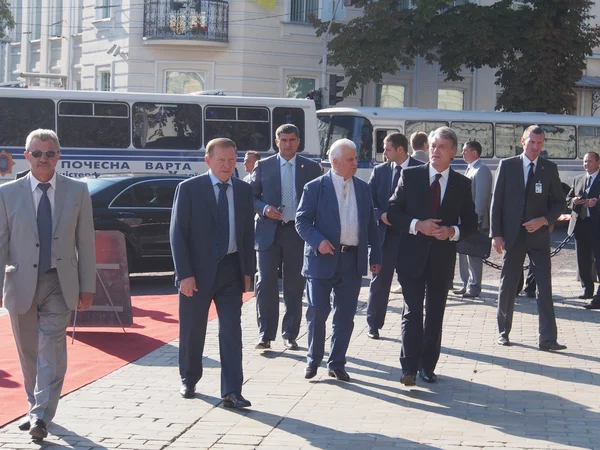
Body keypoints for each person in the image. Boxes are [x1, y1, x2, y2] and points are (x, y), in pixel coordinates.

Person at [0, 129, 96, 440]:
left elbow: (86, 241)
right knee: (28, 352)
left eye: (50, 153)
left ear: (58, 156)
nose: (44, 158)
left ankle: (41, 415)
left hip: (60, 281)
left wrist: (87, 286)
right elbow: (1, 243)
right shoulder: (7, 193)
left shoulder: (77, 191)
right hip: (19, 282)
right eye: (37, 153)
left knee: (51, 348)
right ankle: (34, 406)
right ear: (26, 156)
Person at [387, 127, 477, 386]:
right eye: (433, 146)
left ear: (453, 153)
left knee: (435, 314)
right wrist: (417, 224)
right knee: (412, 312)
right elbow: (393, 212)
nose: (435, 151)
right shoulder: (411, 175)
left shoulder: (461, 184)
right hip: (411, 257)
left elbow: (471, 223)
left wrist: (452, 231)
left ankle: (428, 366)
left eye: (442, 147)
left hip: (441, 259)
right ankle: (409, 368)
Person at [170, 138, 255, 408]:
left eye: (232, 160)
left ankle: (232, 389)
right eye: (221, 160)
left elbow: (246, 234)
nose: (227, 166)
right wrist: (184, 274)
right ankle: (189, 378)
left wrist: (247, 272)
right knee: (193, 329)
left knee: (232, 330)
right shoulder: (189, 189)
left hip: (230, 270)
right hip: (196, 273)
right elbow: (177, 234)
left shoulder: (242, 190)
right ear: (208, 161)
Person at [296, 138, 381, 382]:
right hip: (322, 259)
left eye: (355, 158)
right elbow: (301, 221)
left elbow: (370, 226)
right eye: (351, 159)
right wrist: (318, 241)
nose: (356, 163)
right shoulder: (314, 188)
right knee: (317, 312)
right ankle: (313, 360)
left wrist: (375, 256)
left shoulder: (363, 188)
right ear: (335, 162)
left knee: (345, 316)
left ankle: (337, 362)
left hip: (352, 261)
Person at [491, 125, 567, 350]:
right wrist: (496, 234)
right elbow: (497, 202)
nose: (536, 147)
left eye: (540, 144)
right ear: (523, 142)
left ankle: (547, 338)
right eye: (532, 142)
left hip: (539, 237)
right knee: (508, 285)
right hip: (513, 236)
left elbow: (559, 202)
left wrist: (545, 220)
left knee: (544, 286)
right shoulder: (507, 165)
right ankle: (503, 332)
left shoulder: (549, 168)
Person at [251, 124, 321, 351]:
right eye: (283, 140)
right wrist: (264, 209)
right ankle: (265, 334)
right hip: (268, 232)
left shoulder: (311, 168)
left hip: (297, 233)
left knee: (294, 286)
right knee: (266, 282)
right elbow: (250, 198)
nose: (288, 144)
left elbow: (319, 200)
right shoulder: (263, 166)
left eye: (292, 140)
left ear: (298, 142)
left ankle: (290, 334)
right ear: (276, 141)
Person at [366, 132, 422, 339]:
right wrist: (380, 214)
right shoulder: (380, 171)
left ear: (400, 149)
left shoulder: (419, 169)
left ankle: (412, 326)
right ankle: (373, 323)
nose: (384, 152)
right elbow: (368, 200)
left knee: (411, 283)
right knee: (380, 281)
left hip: (410, 236)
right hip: (385, 237)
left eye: (387, 148)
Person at [454, 141, 493, 298]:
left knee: (474, 255)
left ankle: (474, 286)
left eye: (465, 151)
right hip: (465, 220)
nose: (462, 153)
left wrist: (476, 220)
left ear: (475, 152)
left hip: (475, 222)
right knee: (464, 252)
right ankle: (466, 283)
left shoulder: (482, 170)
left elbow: (481, 198)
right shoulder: (471, 168)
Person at [566, 151, 600, 309]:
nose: (587, 164)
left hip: (597, 225)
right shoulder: (578, 179)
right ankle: (587, 289)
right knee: (583, 259)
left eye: (590, 161)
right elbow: (567, 199)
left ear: (598, 162)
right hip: (580, 225)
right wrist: (574, 201)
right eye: (585, 162)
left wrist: (596, 202)